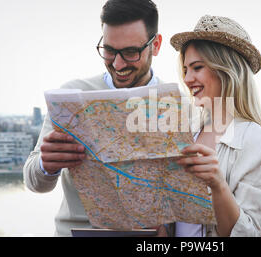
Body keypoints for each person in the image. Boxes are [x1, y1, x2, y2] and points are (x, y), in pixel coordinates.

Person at [23, 0, 164, 236]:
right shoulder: (72, 97)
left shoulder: (178, 105)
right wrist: (46, 165)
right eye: (109, 50)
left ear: (156, 45)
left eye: (131, 52)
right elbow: (34, 182)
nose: (118, 64)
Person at [169, 15, 261, 236]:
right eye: (186, 70)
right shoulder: (188, 132)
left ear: (226, 69)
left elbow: (248, 232)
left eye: (197, 67)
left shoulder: (260, 144)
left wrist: (218, 185)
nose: (187, 78)